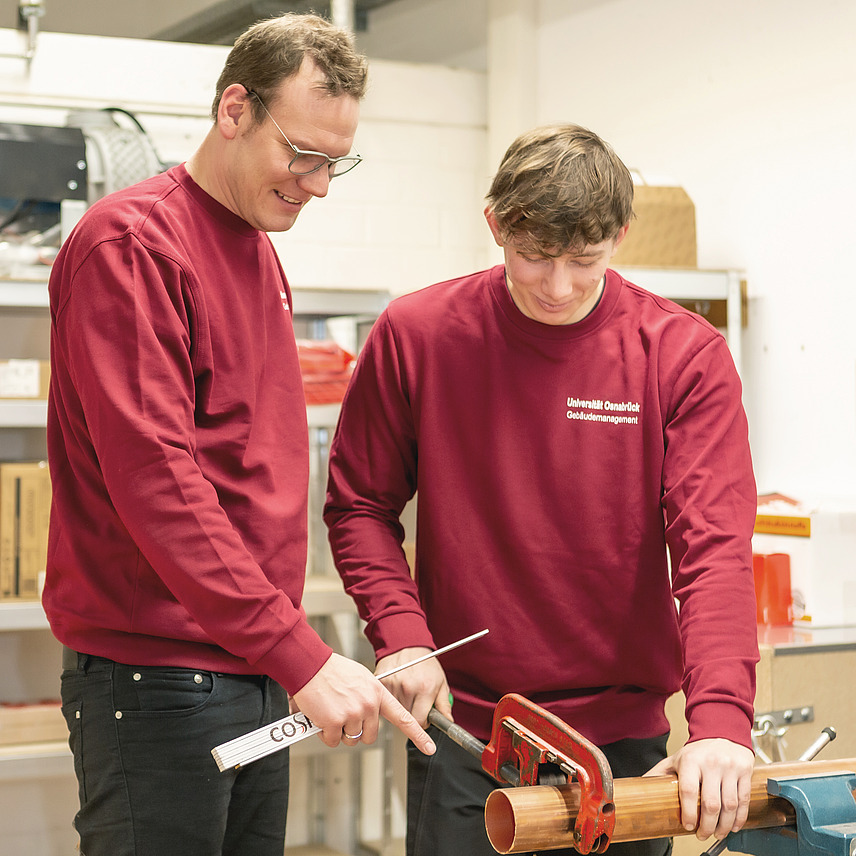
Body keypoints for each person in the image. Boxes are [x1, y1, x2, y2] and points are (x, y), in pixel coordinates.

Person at [43, 13, 434, 856]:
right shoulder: (134, 244)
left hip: (248, 667)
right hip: (160, 684)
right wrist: (300, 653)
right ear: (234, 110)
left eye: (337, 162)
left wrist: (285, 655)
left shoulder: (257, 246)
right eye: (303, 154)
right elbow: (159, 484)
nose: (319, 184)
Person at [324, 123, 759, 856]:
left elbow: (713, 554)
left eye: (583, 261)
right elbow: (359, 505)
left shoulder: (682, 356)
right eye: (533, 257)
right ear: (494, 225)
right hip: (468, 732)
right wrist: (400, 635)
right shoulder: (418, 334)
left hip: (623, 745)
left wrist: (720, 721)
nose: (557, 287)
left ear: (621, 234)